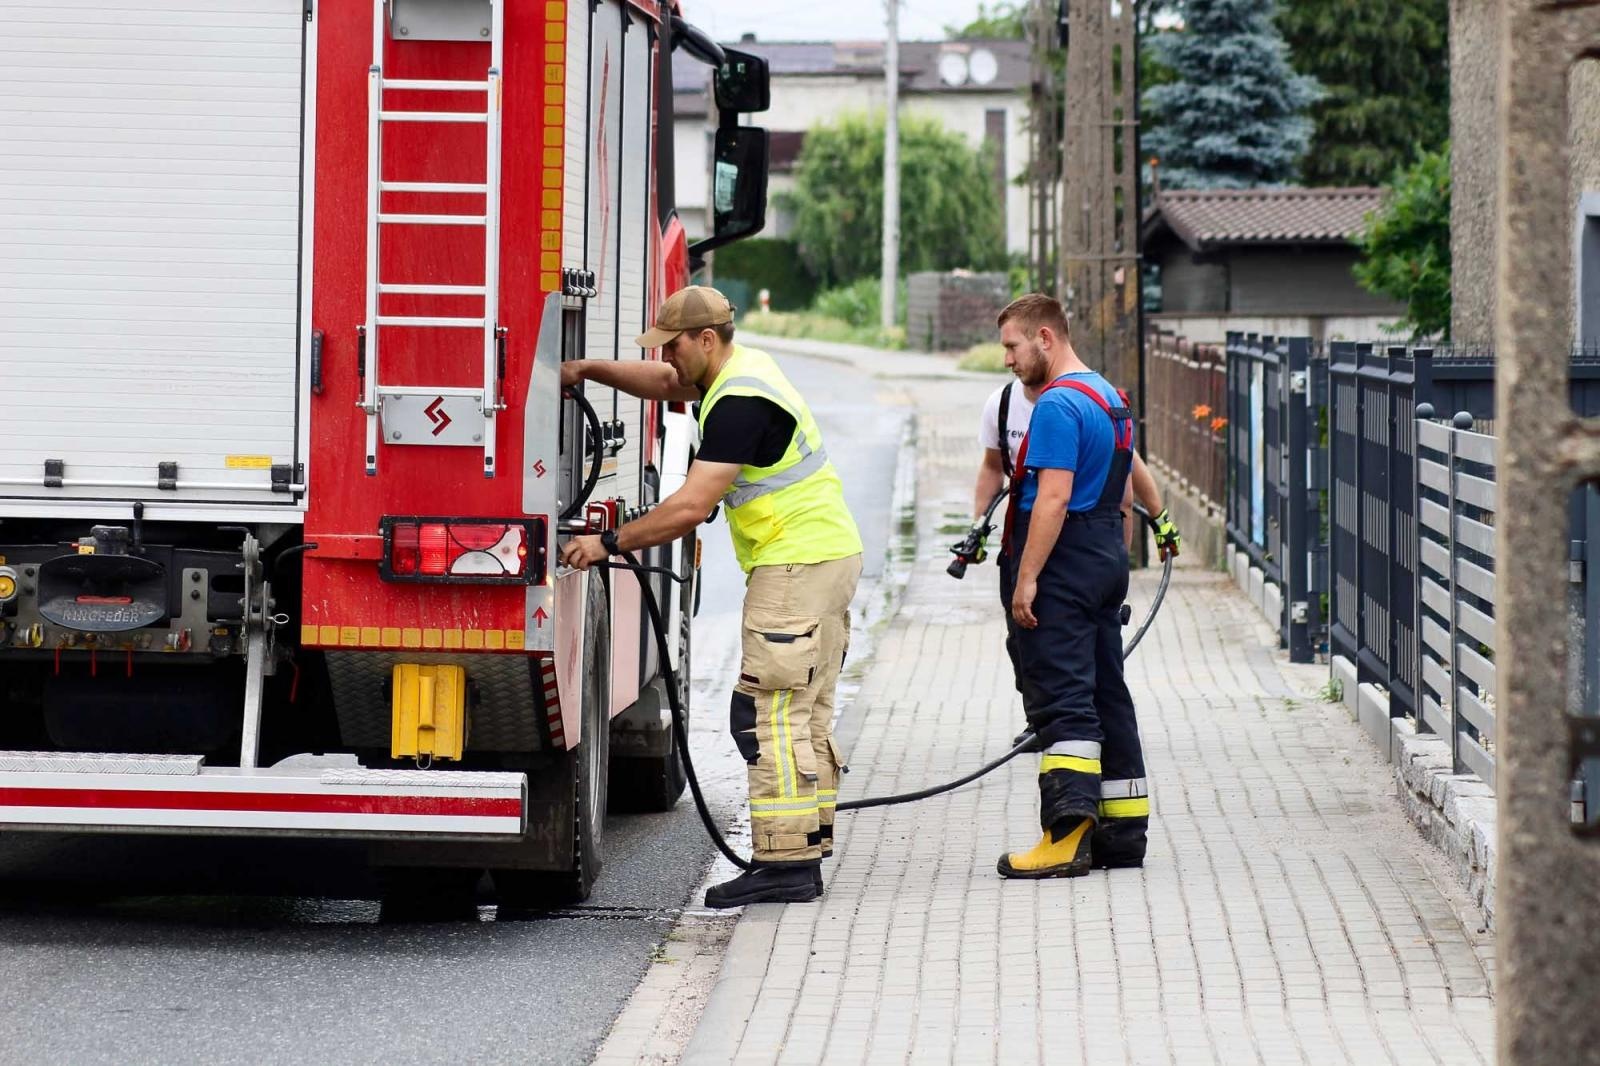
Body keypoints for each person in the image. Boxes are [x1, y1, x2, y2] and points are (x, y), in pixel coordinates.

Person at [559, 286, 863, 908]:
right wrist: (588, 370)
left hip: (796, 563)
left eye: (673, 346)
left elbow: (692, 507)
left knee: (766, 713)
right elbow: (665, 384)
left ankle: (784, 866)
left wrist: (608, 542)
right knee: (802, 711)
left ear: (705, 340)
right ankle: (801, 848)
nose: (667, 359)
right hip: (826, 555)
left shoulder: (739, 405)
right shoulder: (737, 372)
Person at [991, 293, 1152, 879]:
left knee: (1065, 700)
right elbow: (1127, 492)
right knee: (1108, 691)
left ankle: (1064, 836)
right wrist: (1116, 556)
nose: (1007, 360)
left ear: (1045, 338)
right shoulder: (1111, 398)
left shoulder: (1058, 405)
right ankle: (1122, 831)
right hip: (1106, 549)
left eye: (1012, 345)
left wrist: (1027, 578)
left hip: (1065, 559)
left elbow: (1052, 498)